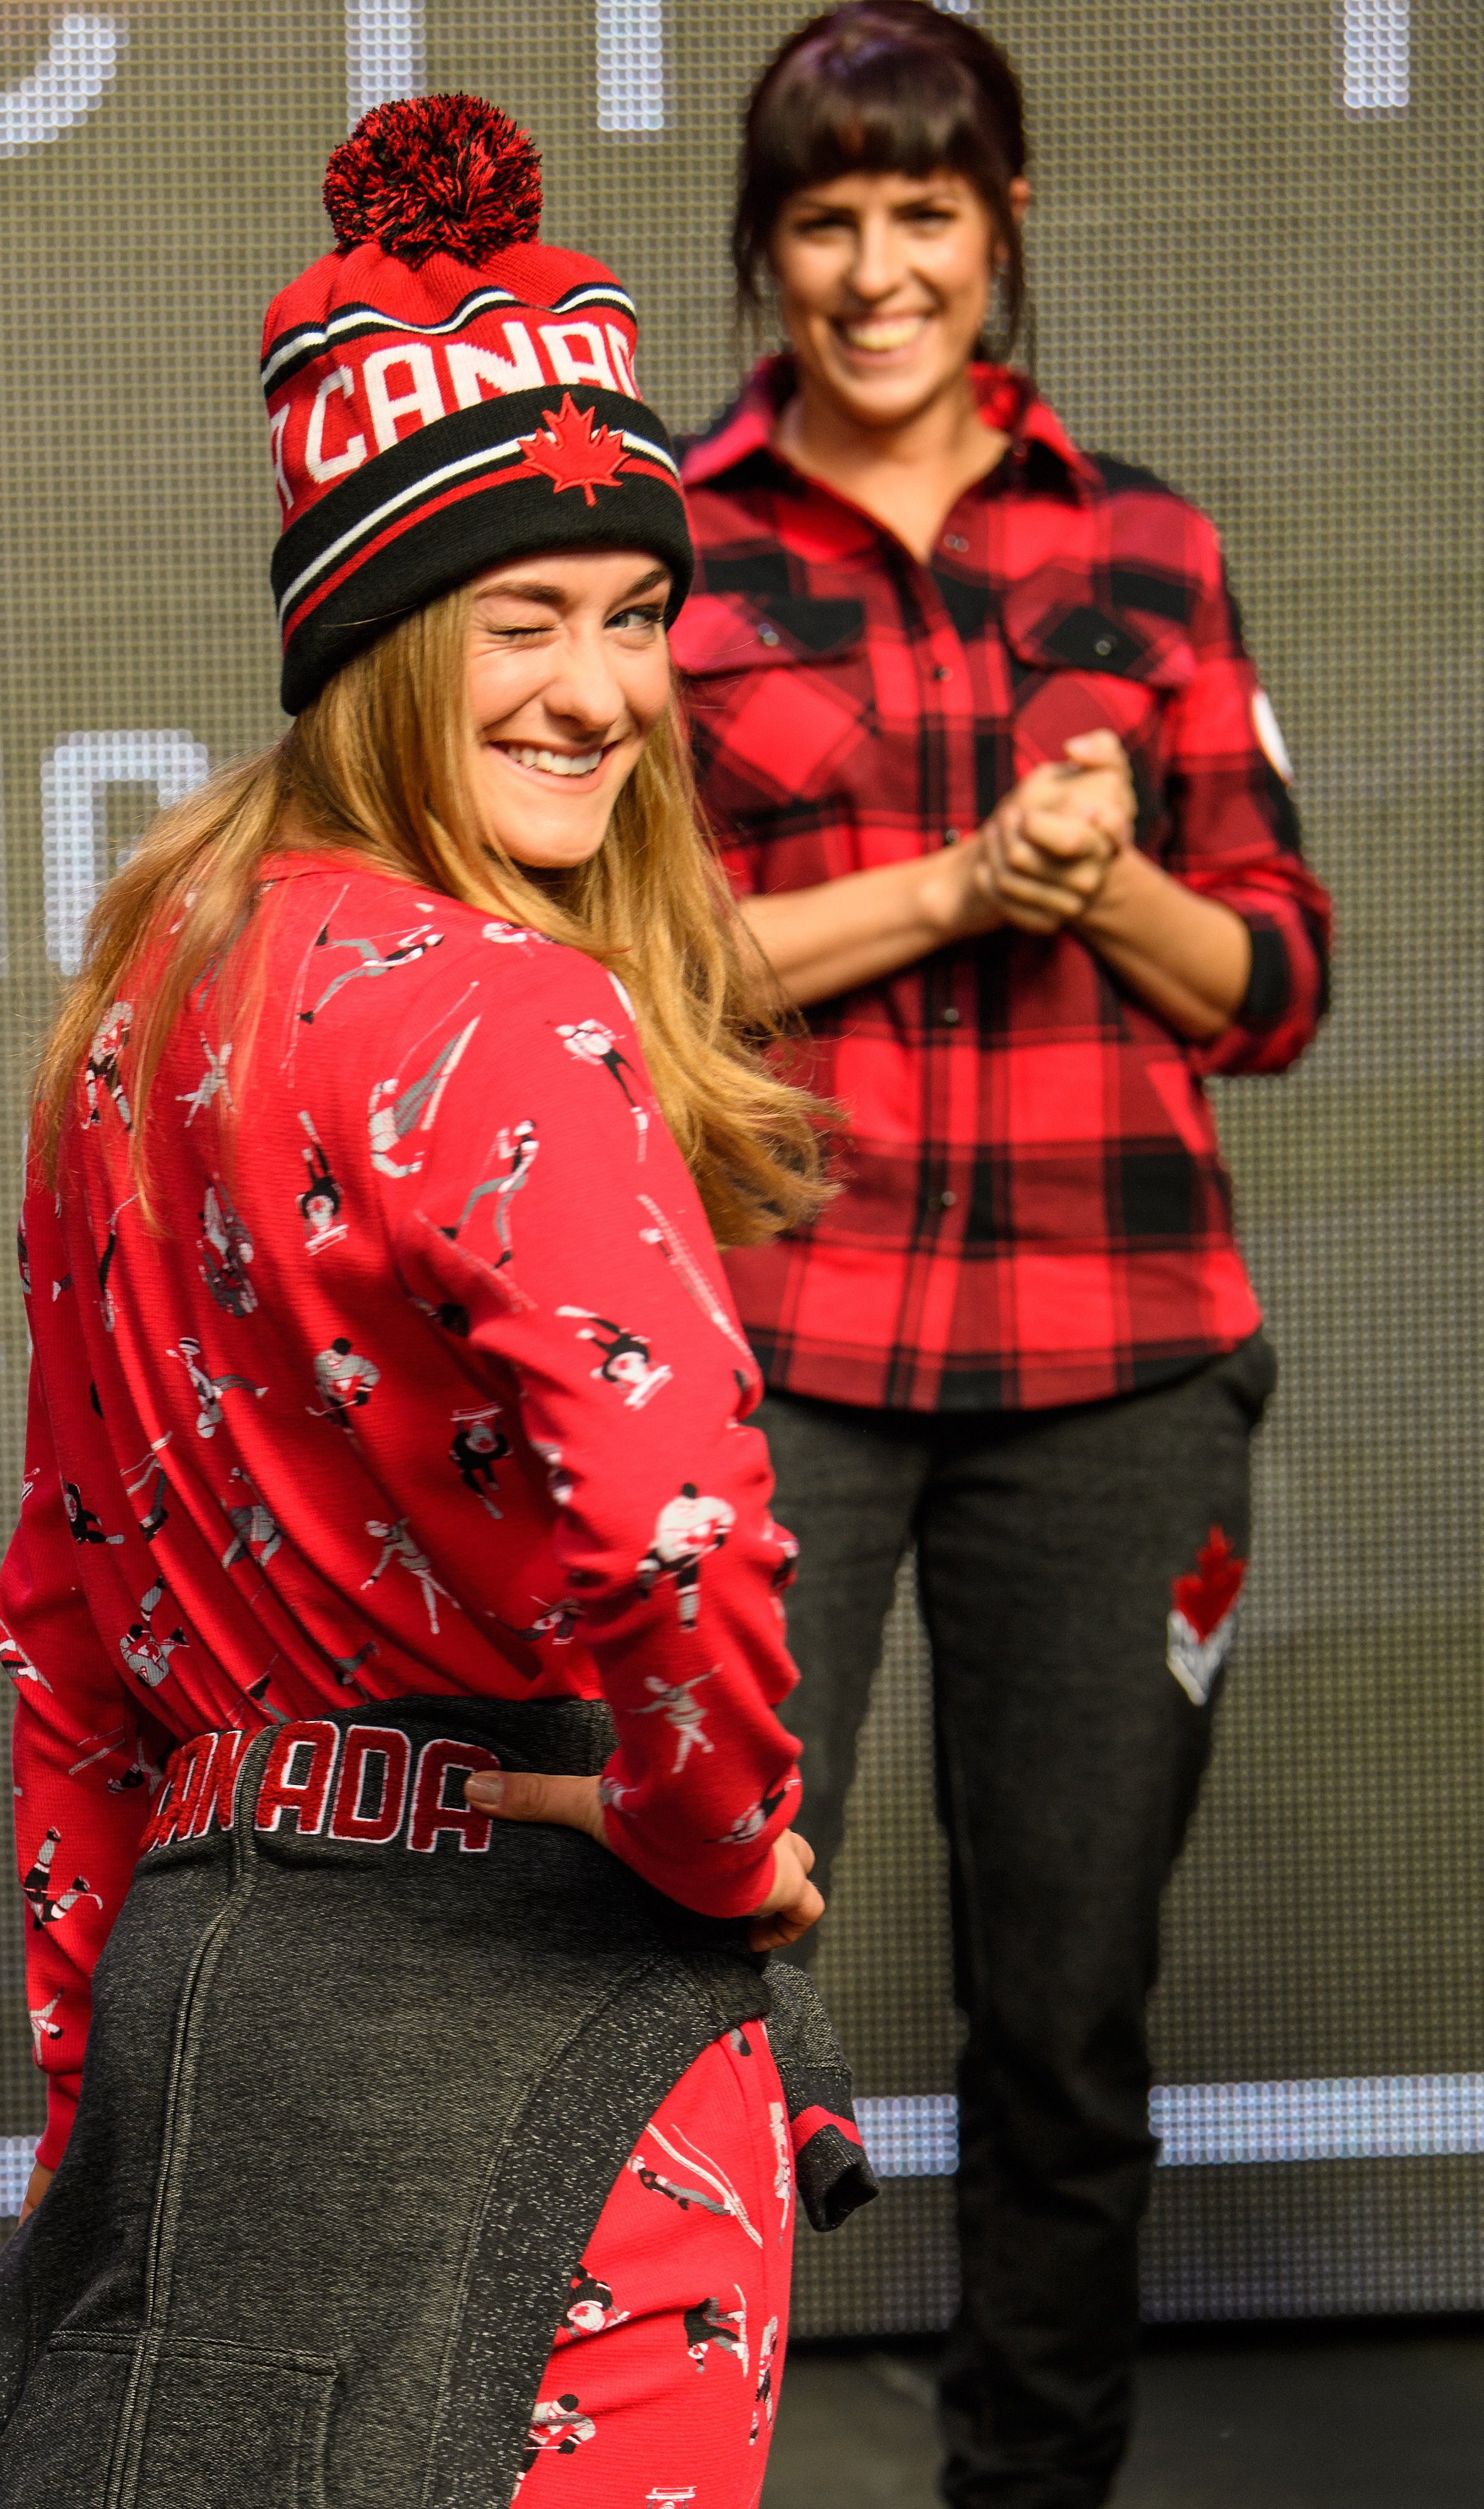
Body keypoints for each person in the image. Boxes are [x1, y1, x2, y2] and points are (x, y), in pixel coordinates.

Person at [0, 95, 876, 2509]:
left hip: (215, 2017)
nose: (601, 691)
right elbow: (682, 1529)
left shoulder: (145, 990)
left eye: (638, 614)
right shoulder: (501, 1008)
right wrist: (713, 1838)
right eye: (518, 618)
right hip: (545, 2038)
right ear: (368, 633)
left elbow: (63, 1621)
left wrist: (99, 2080)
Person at [672, 8, 1332, 2503]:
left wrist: (1110, 878)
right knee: (704, 1974)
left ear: (1007, 227)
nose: (876, 272)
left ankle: (1027, 2488)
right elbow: (640, 977)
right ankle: (659, 2461)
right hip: (775, 1357)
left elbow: (1275, 981)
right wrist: (954, 888)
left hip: (1121, 1355)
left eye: (924, 214)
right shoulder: (677, 554)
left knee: (1068, 2018)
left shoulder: (1143, 544)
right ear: (771, 248)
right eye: (827, 219)